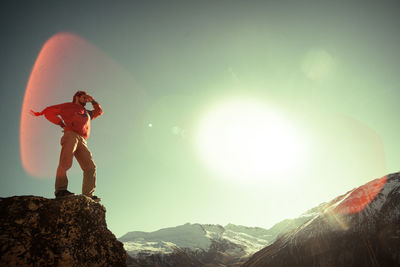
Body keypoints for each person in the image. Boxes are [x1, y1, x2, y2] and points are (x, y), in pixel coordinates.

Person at [30, 91, 104, 201]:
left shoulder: (87, 112)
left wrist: (92, 100)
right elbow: (49, 111)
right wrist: (60, 123)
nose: (85, 100)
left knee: (90, 167)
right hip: (71, 135)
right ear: (76, 97)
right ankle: (60, 190)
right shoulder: (68, 106)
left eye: (86, 98)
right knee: (66, 161)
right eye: (83, 97)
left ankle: (88, 196)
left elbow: (99, 111)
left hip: (83, 140)